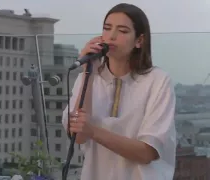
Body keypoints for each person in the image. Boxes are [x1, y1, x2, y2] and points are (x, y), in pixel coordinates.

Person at [62, 3, 176, 180]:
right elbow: (78, 136)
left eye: (122, 31)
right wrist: (88, 72)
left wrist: (93, 131)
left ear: (139, 40)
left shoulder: (157, 80)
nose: (111, 36)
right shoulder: (88, 77)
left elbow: (147, 153)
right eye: (107, 29)